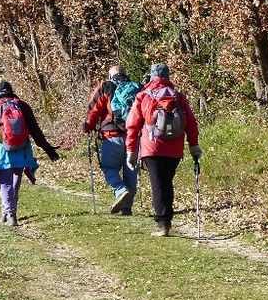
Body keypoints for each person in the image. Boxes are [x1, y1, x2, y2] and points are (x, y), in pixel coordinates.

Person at [125, 63, 199, 237]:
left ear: (151, 77)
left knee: (158, 184)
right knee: (167, 183)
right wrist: (194, 146)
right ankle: (167, 220)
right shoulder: (178, 97)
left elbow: (132, 125)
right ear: (168, 76)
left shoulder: (143, 96)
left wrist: (131, 151)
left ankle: (162, 223)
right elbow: (191, 123)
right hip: (174, 148)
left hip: (152, 148)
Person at [0, 81, 60, 226]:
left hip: (1, 150)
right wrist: (47, 148)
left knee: (5, 182)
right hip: (22, 149)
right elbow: (35, 130)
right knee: (15, 182)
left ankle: (10, 214)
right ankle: (8, 211)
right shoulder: (22, 105)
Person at [84, 65, 140, 215]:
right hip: (133, 137)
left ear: (110, 75)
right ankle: (127, 207)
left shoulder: (106, 86)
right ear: (125, 74)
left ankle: (120, 190)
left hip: (112, 136)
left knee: (109, 168)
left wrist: (88, 126)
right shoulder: (137, 87)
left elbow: (94, 109)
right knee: (131, 171)